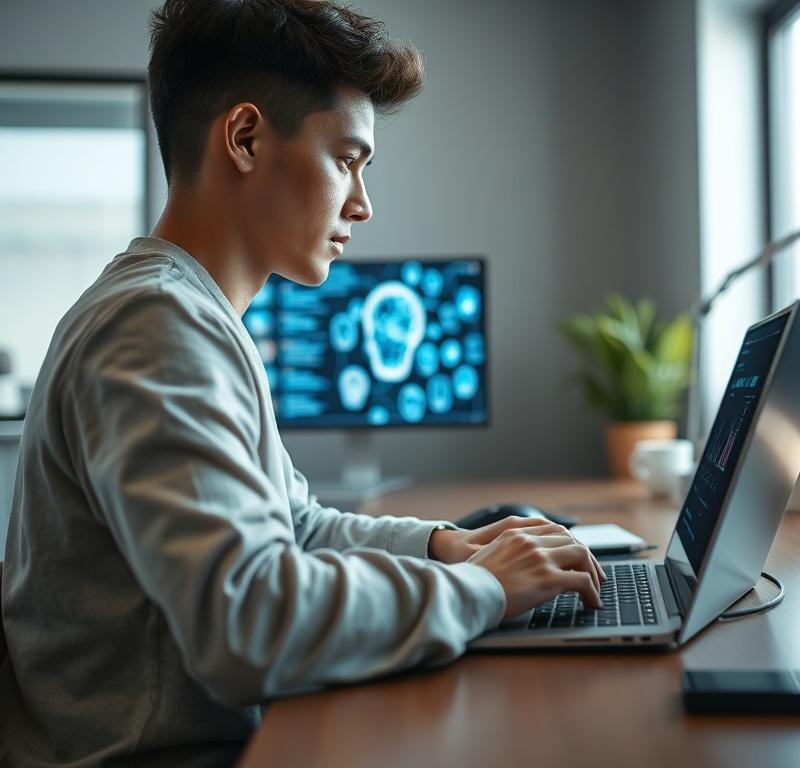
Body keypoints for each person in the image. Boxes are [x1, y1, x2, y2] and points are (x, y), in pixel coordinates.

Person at [0, 2, 604, 765]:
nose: (363, 202)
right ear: (246, 138)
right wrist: (486, 592)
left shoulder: (185, 312)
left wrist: (446, 547)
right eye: (347, 159)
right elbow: (247, 622)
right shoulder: (155, 325)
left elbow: (301, 527)